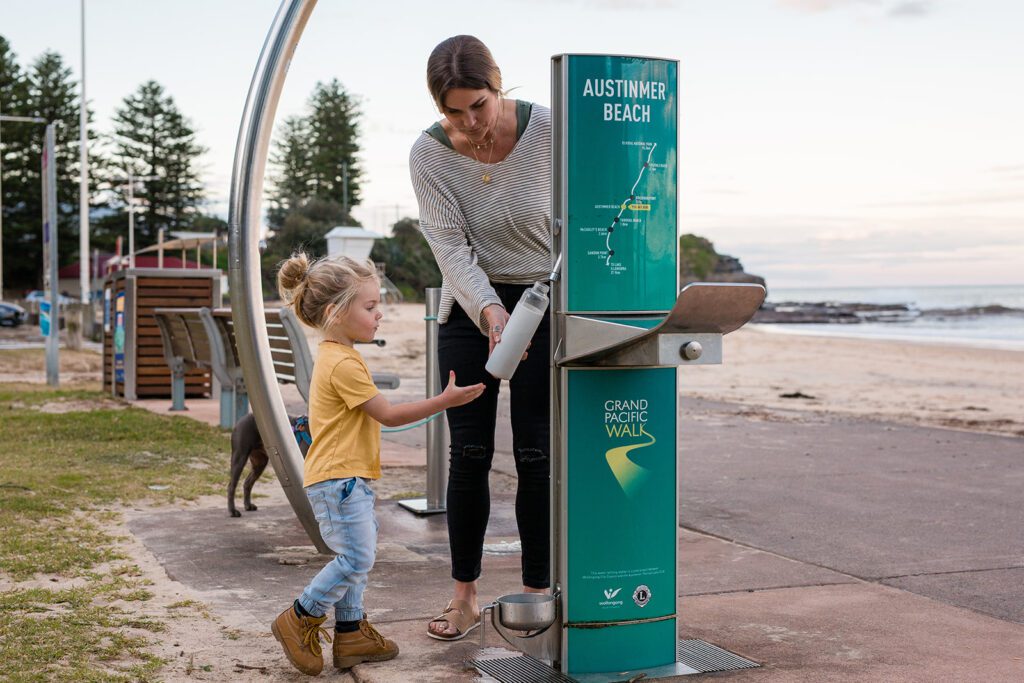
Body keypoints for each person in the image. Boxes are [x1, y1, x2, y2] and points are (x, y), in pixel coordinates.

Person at [271, 253, 485, 675]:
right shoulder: (344, 363)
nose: (379, 314)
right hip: (339, 480)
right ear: (335, 312)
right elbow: (387, 414)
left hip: (346, 478)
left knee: (356, 554)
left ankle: (350, 634)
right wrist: (443, 401)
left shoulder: (337, 356)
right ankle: (299, 616)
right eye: (369, 307)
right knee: (355, 558)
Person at [409, 35, 552, 641]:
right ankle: (465, 596)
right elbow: (449, 247)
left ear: (500, 88)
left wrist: (526, 309)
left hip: (547, 303)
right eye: (454, 112)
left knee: (536, 455)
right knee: (467, 456)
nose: (469, 123)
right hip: (471, 308)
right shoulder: (428, 155)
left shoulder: (552, 131)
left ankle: (538, 594)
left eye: (480, 106)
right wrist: (490, 309)